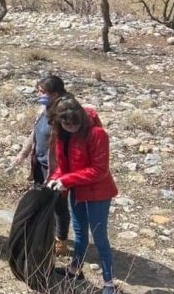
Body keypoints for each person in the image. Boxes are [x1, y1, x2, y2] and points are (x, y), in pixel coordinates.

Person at [46, 95, 118, 294]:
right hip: (77, 191)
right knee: (79, 233)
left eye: (74, 125)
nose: (71, 128)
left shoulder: (97, 134)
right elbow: (65, 165)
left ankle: (109, 282)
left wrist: (66, 181)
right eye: (67, 125)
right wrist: (56, 178)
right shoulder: (62, 134)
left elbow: (99, 170)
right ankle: (75, 269)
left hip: (98, 193)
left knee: (99, 236)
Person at [12, 75, 70, 256]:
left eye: (42, 91)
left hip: (55, 169)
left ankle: (61, 240)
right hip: (39, 164)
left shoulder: (62, 115)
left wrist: (62, 173)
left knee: (59, 205)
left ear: (55, 94)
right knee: (40, 199)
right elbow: (35, 133)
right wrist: (23, 153)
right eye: (38, 90)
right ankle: (42, 232)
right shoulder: (44, 110)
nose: (39, 94)